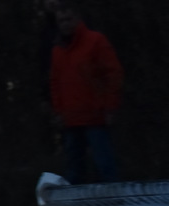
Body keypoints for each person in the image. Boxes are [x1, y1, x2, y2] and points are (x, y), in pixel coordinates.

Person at [49, 3, 123, 184]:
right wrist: (59, 112)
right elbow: (55, 82)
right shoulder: (58, 50)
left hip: (95, 116)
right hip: (71, 119)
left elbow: (113, 74)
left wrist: (110, 107)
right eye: (61, 21)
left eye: (68, 19)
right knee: (74, 169)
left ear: (77, 18)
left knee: (105, 166)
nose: (65, 24)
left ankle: (115, 200)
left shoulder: (95, 41)